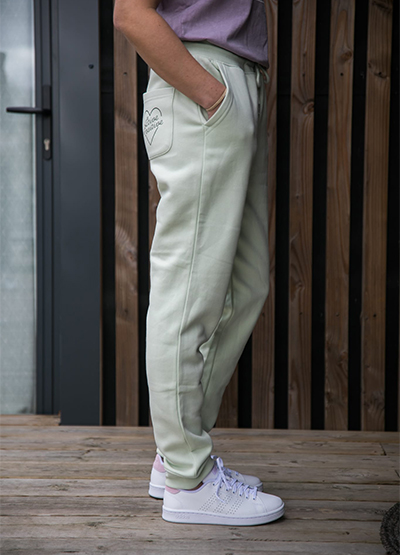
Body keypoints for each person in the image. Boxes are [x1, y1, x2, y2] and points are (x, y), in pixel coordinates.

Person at [113, 0, 285, 526]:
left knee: (245, 286)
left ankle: (175, 454)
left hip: (233, 84)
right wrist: (212, 94)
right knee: (186, 290)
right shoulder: (208, 89)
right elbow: (130, 12)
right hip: (202, 84)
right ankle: (188, 479)